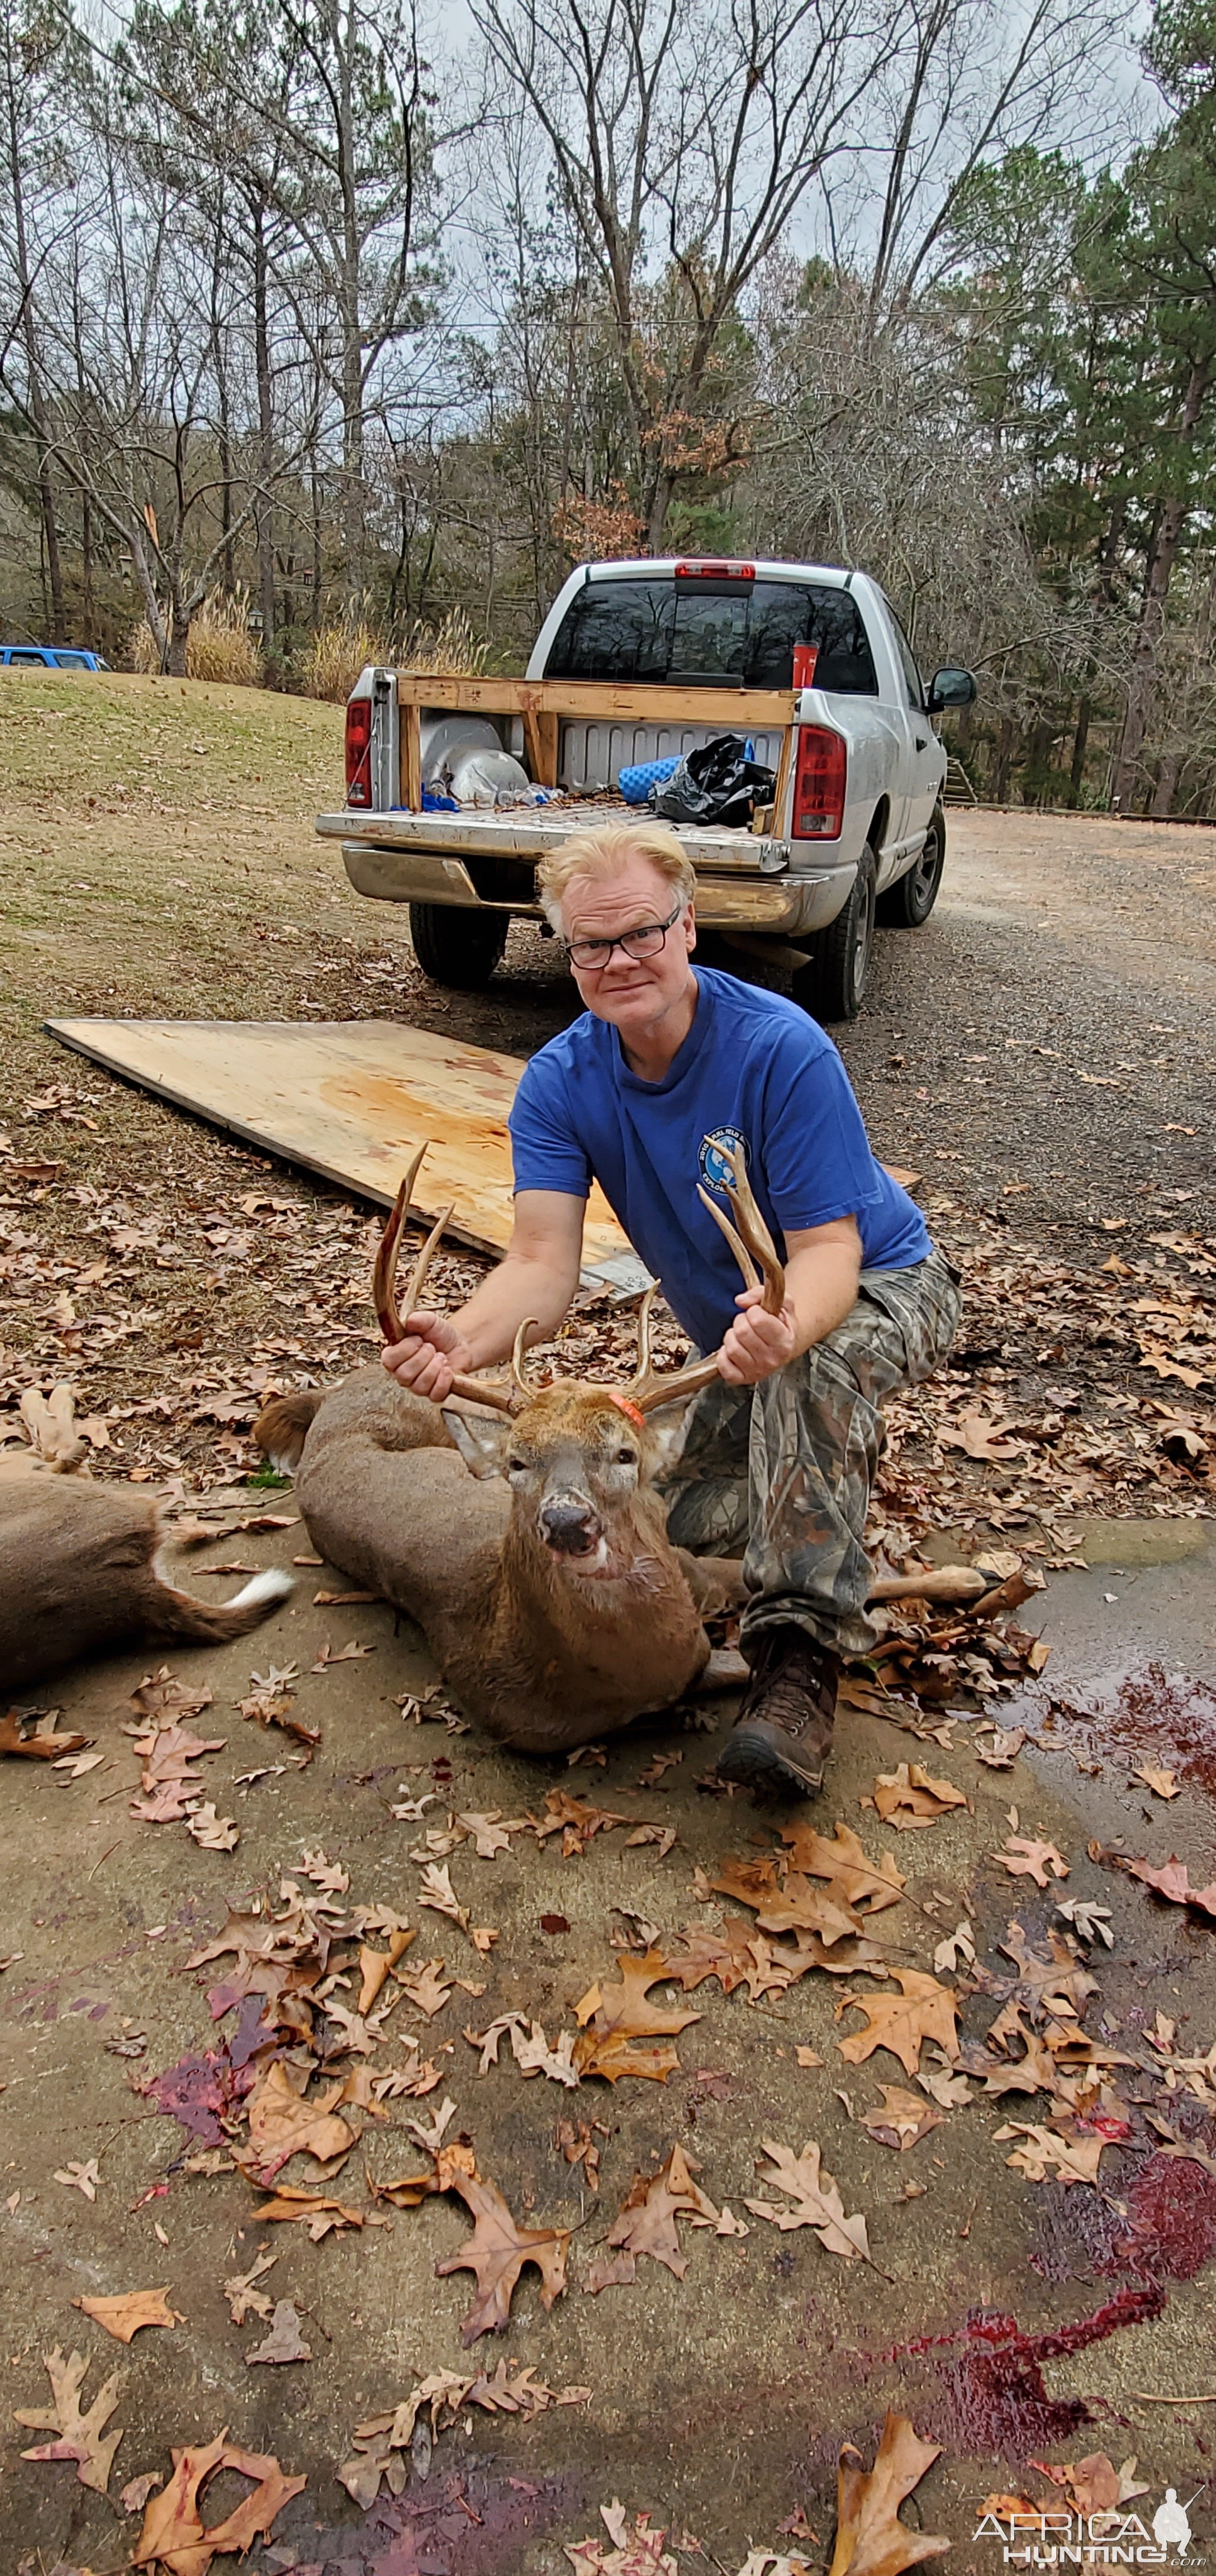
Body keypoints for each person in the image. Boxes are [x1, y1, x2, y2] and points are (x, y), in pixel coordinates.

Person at [383, 818, 960, 1797]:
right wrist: (463, 1340)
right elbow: (538, 1263)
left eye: (641, 932)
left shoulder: (781, 1051)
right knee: (654, 1508)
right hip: (743, 1332)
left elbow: (829, 1251)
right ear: (568, 955)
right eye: (591, 944)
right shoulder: (561, 1084)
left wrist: (788, 1330)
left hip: (880, 1288)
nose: (619, 961)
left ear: (689, 927)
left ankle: (797, 1664)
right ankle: (809, 1498)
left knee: (807, 1372)